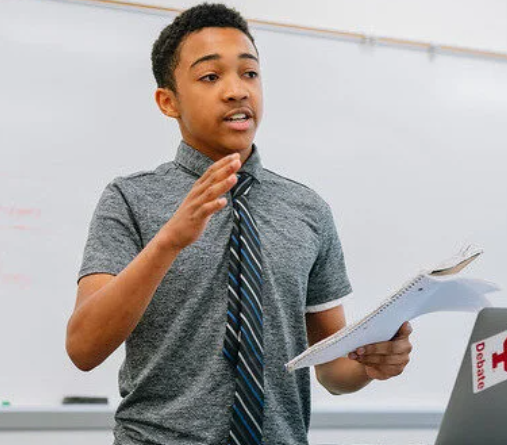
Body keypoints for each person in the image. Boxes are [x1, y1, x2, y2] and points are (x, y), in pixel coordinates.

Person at [65, 3, 413, 445]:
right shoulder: (129, 199)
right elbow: (83, 347)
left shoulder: (307, 209)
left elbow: (331, 370)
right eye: (210, 77)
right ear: (167, 101)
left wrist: (368, 363)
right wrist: (169, 241)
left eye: (249, 74)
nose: (236, 91)